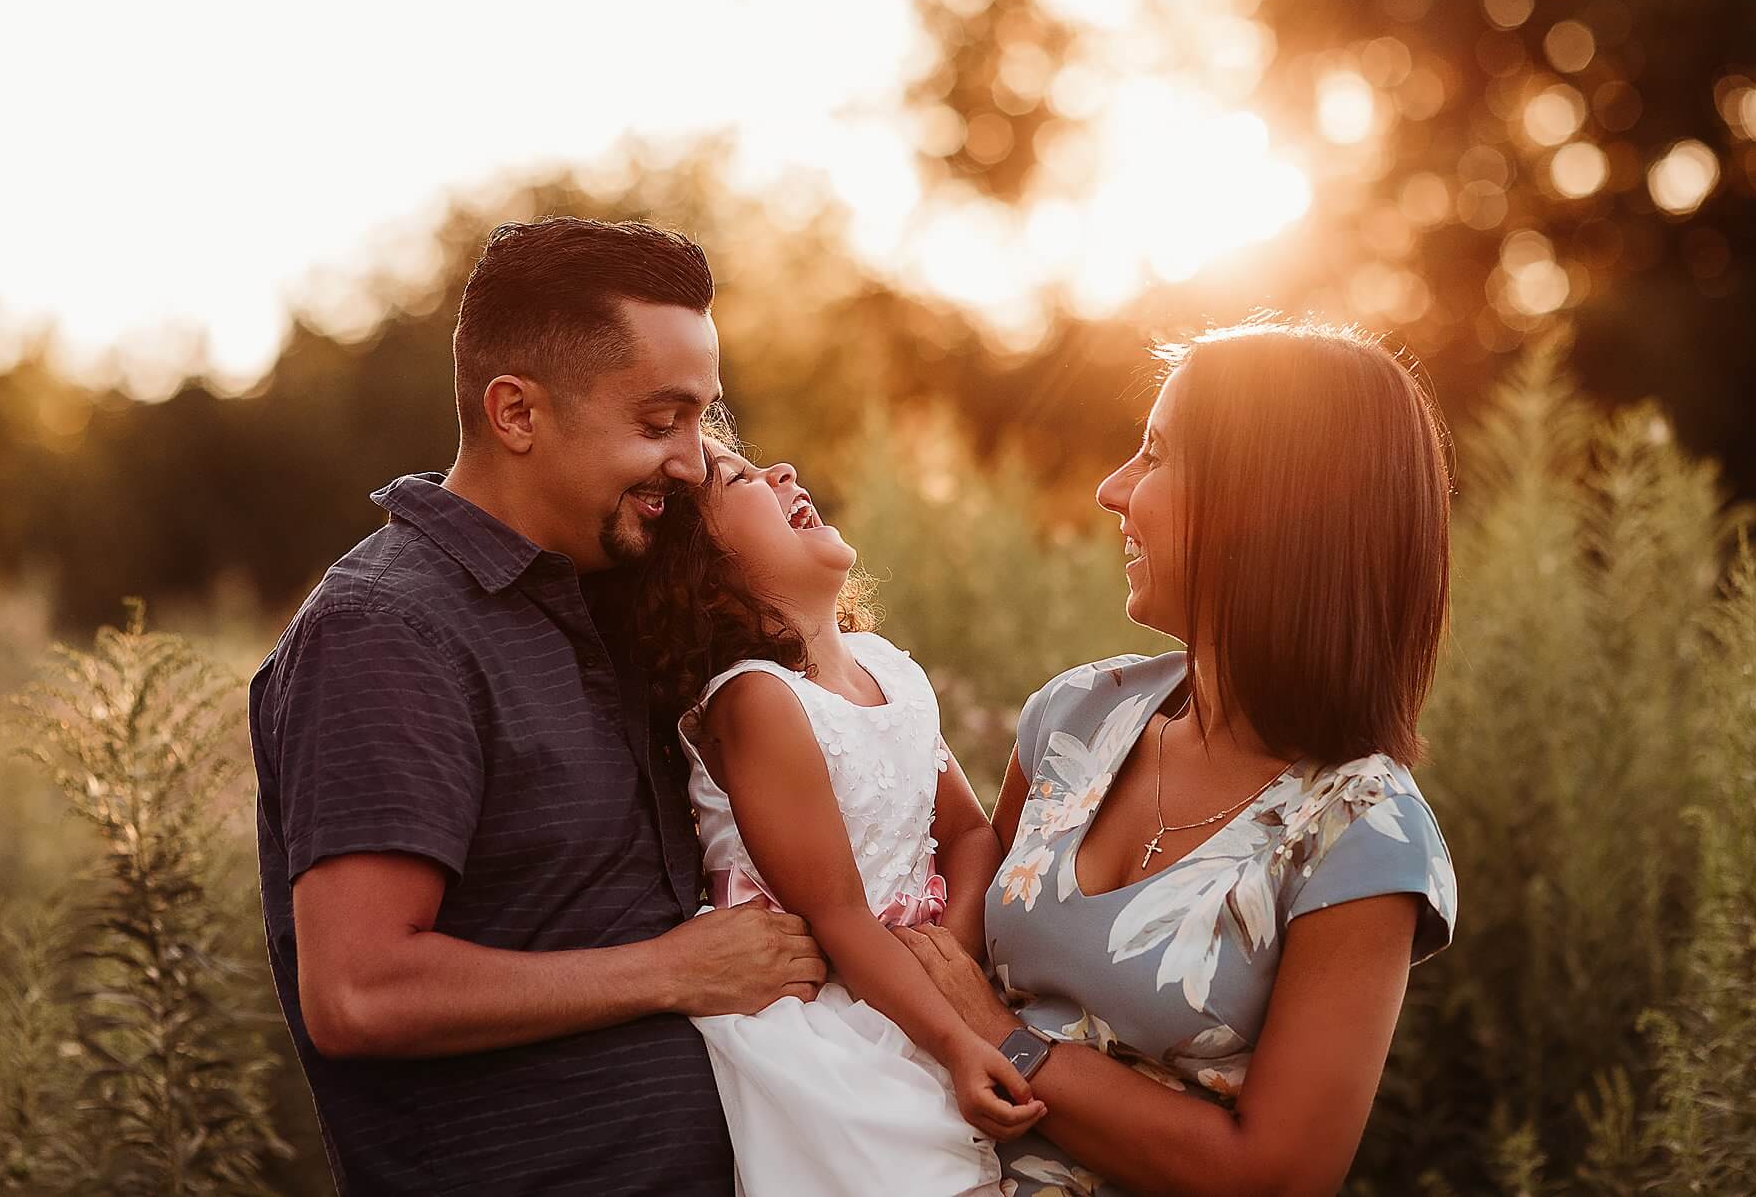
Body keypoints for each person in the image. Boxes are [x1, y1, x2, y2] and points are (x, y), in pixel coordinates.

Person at [247, 217, 825, 1196]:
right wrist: (671, 969)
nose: (690, 461)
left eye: (701, 420)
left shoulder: (606, 592)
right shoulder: (387, 626)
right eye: (657, 422)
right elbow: (358, 989)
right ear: (515, 413)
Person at [897, 319, 1460, 1196]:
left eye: (1156, 456)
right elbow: (940, 945)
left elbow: (1274, 1177)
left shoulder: (1363, 834)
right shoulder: (1077, 714)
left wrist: (1009, 1043)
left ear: (1267, 502)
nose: (1110, 489)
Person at [601, 432, 1041, 1195]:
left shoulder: (891, 670)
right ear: (707, 578)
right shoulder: (758, 702)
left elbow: (969, 832)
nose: (783, 471)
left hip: (916, 990)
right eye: (740, 479)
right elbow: (835, 917)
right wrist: (955, 1036)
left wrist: (952, 956)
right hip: (826, 1024)